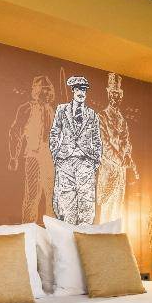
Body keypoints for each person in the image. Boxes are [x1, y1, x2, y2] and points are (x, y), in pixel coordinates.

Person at [50, 75, 102, 225]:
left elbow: (96, 139)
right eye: (79, 89)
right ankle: (68, 232)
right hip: (65, 161)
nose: (81, 93)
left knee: (86, 200)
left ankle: (85, 234)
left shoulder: (92, 114)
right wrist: (56, 155)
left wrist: (96, 160)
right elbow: (54, 132)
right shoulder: (62, 110)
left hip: (85, 162)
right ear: (73, 90)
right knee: (66, 200)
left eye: (84, 90)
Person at [8, 75, 56, 221]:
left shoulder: (52, 111)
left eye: (48, 89)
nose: (46, 92)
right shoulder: (26, 108)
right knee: (32, 195)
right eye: (43, 89)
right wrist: (14, 157)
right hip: (33, 156)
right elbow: (15, 133)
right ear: (36, 90)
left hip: (50, 159)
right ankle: (28, 228)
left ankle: (52, 230)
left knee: (52, 197)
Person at [96, 73, 139, 223]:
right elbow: (104, 144)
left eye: (118, 94)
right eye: (113, 93)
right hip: (108, 172)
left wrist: (127, 155)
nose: (116, 97)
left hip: (121, 174)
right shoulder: (102, 116)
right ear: (108, 94)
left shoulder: (122, 120)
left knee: (118, 213)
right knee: (106, 214)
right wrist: (121, 160)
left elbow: (127, 142)